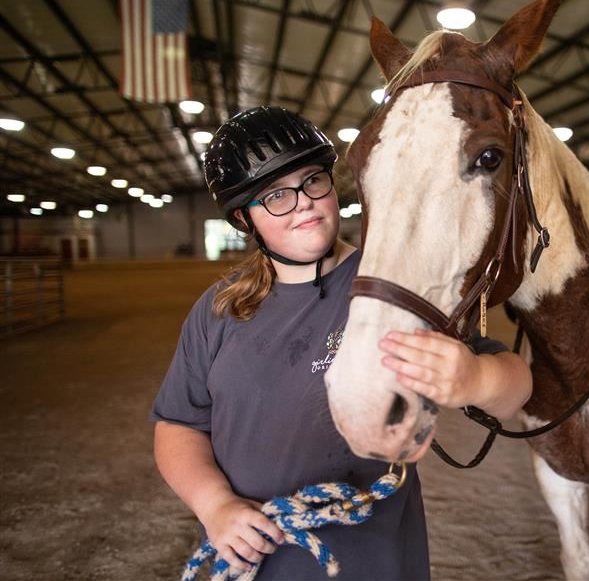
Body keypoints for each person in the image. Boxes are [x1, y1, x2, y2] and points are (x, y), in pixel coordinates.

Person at [150, 106, 532, 580]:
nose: (304, 202)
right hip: (256, 557)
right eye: (275, 197)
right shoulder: (219, 310)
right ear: (245, 221)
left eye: (313, 181)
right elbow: (177, 426)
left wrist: (476, 378)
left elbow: (515, 388)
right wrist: (215, 505)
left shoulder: (393, 288)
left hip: (373, 559)